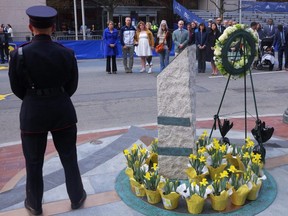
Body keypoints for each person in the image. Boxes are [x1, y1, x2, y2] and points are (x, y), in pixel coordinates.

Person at [8, 6, 86, 215]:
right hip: (62, 109)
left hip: (33, 112)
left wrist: (34, 98)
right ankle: (77, 198)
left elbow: (16, 88)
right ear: (53, 28)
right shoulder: (66, 53)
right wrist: (56, 96)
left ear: (30, 27)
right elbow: (72, 85)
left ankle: (34, 204)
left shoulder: (19, 54)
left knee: (34, 162)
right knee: (69, 157)